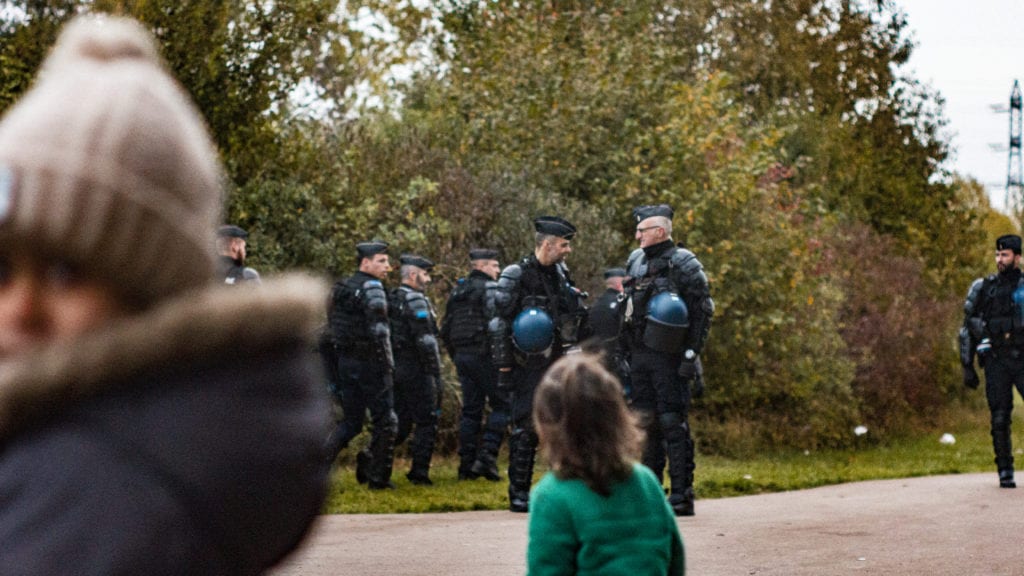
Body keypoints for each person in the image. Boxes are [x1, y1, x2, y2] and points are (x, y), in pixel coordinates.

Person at [0, 16, 331, 573]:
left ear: (152, 289)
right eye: (3, 268)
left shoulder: (96, 489)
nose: (20, 308)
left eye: (65, 272)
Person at [527, 353, 685, 576]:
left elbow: (546, 570)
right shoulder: (647, 482)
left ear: (548, 424)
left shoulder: (551, 496)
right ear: (618, 415)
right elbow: (675, 560)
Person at [489, 216, 589, 512]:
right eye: (564, 244)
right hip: (525, 365)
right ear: (547, 244)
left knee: (562, 425)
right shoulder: (515, 274)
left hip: (556, 361)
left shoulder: (560, 273)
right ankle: (518, 493)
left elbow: (571, 314)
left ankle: (562, 489)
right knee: (525, 428)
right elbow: (499, 324)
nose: (568, 250)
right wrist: (504, 367)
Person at [621, 204, 713, 516]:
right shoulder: (635, 262)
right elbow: (627, 310)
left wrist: (691, 353)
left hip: (671, 359)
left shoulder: (684, 263)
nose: (637, 236)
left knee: (673, 423)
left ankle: (682, 495)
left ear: (660, 231)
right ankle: (650, 494)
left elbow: (703, 311)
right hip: (640, 356)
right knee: (645, 425)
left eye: (642, 230)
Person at [324, 240, 399, 490]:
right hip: (371, 364)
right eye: (382, 261)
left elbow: (331, 327)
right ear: (365, 263)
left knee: (351, 423)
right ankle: (378, 478)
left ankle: (318, 468)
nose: (387, 266)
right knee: (386, 421)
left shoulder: (341, 287)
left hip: (347, 364)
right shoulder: (373, 287)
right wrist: (388, 366)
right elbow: (380, 331)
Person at [960, 233, 1024, 488]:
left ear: (1017, 257)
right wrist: (968, 365)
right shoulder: (984, 288)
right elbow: (967, 328)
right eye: (997, 254)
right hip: (996, 359)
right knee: (999, 416)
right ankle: (1005, 470)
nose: (1000, 259)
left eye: (1005, 254)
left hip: (1022, 358)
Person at [440, 248, 509, 481]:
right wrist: (502, 359)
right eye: (494, 265)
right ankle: (487, 456)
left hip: (463, 357)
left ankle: (466, 467)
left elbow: (446, 329)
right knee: (504, 404)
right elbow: (496, 325)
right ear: (482, 266)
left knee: (471, 411)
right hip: (484, 356)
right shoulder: (490, 288)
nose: (498, 270)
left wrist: (456, 354)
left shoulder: (458, 291)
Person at [389, 254, 444, 485]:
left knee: (400, 422)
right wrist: (435, 372)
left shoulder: (391, 299)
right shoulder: (416, 300)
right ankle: (419, 471)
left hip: (394, 367)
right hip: (416, 368)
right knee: (426, 420)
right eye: (425, 274)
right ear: (413, 275)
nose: (428, 279)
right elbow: (426, 341)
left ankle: (374, 460)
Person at [587, 267, 630, 390]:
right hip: (619, 360)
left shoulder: (596, 305)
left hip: (597, 359)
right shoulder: (623, 303)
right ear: (619, 284)